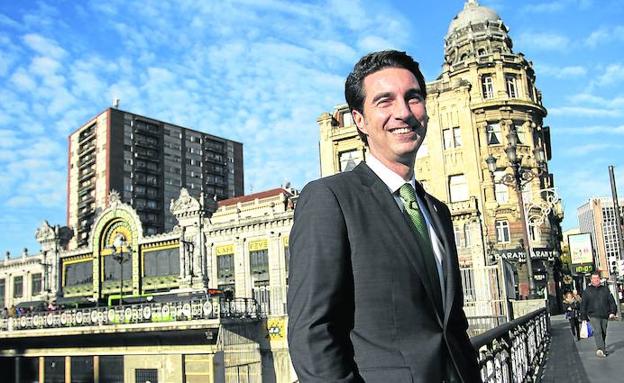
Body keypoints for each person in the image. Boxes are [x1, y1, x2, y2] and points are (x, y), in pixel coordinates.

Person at [288, 50, 481, 382]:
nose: (403, 113)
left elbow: (452, 324)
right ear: (360, 120)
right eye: (385, 101)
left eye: (413, 98)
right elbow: (311, 333)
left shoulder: (438, 211)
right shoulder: (330, 199)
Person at [580, 272, 617, 357]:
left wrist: (612, 312)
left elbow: (611, 302)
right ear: (591, 280)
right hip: (592, 314)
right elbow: (583, 304)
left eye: (597, 278)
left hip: (604, 314)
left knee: (603, 332)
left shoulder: (605, 289)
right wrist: (583, 317)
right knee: (598, 331)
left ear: (599, 279)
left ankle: (602, 348)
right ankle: (600, 349)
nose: (596, 280)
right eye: (594, 278)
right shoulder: (587, 291)